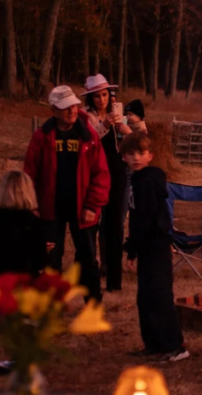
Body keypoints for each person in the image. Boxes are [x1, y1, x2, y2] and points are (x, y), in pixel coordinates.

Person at [24, 85, 110, 304]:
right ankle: (53, 305)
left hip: (83, 208)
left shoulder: (88, 135)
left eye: (74, 105)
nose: (72, 111)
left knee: (88, 257)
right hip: (50, 208)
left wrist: (92, 206)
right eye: (65, 108)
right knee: (51, 258)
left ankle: (93, 304)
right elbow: (30, 173)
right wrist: (31, 202)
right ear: (53, 110)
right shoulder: (41, 137)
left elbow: (101, 174)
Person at [121, 132, 189, 362]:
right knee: (146, 297)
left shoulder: (148, 181)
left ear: (150, 155)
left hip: (156, 245)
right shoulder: (136, 180)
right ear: (124, 157)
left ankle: (176, 346)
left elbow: (144, 219)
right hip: (148, 246)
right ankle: (154, 344)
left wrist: (131, 249)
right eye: (131, 154)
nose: (136, 158)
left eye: (141, 153)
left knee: (159, 296)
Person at [81, 74, 132, 293]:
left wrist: (125, 130)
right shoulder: (86, 117)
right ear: (90, 98)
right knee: (91, 225)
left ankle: (114, 281)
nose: (101, 100)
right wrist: (104, 125)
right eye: (96, 96)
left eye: (104, 95)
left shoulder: (118, 115)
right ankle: (89, 276)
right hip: (95, 173)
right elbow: (87, 141)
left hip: (117, 171)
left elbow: (132, 142)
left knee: (115, 226)